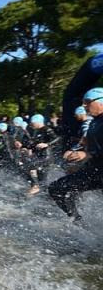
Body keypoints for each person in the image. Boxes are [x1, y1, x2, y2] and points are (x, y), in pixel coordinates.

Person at [49, 88, 103, 222]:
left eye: (87, 102)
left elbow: (91, 152)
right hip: (96, 170)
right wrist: (77, 150)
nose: (84, 106)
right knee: (57, 188)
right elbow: (86, 143)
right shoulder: (95, 121)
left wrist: (87, 155)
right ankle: (78, 222)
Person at [24, 114, 60, 195]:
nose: (31, 125)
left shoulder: (47, 129)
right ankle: (45, 195)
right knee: (42, 178)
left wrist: (47, 144)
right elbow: (35, 142)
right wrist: (29, 149)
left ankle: (36, 186)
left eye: (33, 123)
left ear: (38, 122)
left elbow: (57, 139)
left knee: (30, 165)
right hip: (39, 156)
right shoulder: (36, 131)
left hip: (46, 157)